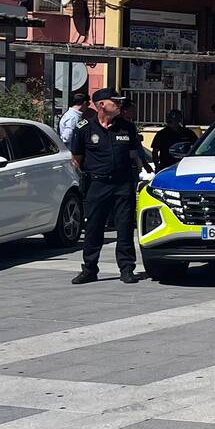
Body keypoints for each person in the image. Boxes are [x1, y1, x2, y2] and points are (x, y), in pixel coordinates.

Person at [69, 88, 140, 284]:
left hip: (123, 184)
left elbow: (133, 155)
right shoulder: (84, 128)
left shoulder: (127, 127)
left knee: (125, 227)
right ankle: (89, 269)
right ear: (101, 105)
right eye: (115, 101)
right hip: (97, 184)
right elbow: (76, 158)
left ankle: (127, 268)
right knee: (94, 227)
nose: (119, 104)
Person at [119, 100, 154, 176]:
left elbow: (137, 145)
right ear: (124, 111)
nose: (135, 113)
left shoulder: (131, 126)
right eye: (132, 110)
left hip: (133, 162)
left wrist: (144, 163)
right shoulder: (117, 126)